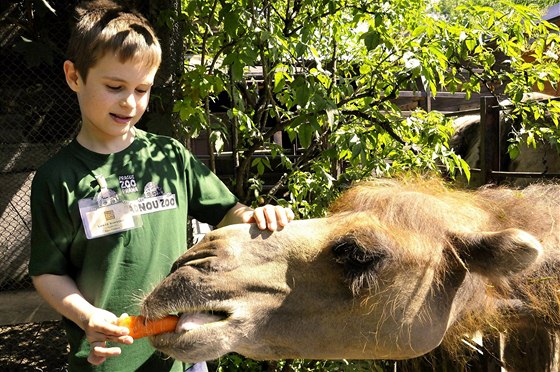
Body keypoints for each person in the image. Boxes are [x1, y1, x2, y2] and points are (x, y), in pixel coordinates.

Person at [27, 1, 294, 371]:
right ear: (74, 76)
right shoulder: (57, 179)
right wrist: (87, 316)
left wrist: (257, 215)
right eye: (114, 86)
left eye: (142, 89)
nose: (130, 102)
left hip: (182, 351)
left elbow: (228, 213)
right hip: (108, 358)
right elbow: (47, 272)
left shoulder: (168, 157)